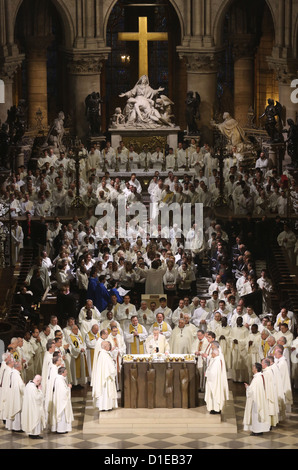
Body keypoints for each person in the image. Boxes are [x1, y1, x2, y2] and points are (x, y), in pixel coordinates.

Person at [243, 362, 271, 436]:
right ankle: (258, 430)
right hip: (259, 399)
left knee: (256, 415)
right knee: (257, 415)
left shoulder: (257, 378)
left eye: (253, 367)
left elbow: (252, 392)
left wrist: (247, 388)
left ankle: (257, 431)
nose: (252, 368)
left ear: (256, 369)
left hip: (256, 401)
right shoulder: (259, 377)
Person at [91, 341, 118, 412]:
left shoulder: (102, 353)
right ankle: (106, 406)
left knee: (104, 392)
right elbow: (110, 369)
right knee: (106, 392)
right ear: (106, 346)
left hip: (103, 377)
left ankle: (104, 406)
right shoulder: (104, 355)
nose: (109, 347)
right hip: (106, 378)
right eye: (109, 346)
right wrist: (114, 369)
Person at [204, 348, 229, 414]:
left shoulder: (216, 361)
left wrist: (206, 373)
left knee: (215, 395)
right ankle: (214, 408)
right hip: (214, 381)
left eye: (212, 353)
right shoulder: (215, 359)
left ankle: (216, 409)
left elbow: (213, 372)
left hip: (214, 382)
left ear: (215, 354)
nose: (211, 354)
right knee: (213, 395)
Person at [21, 375, 46, 439]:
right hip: (34, 408)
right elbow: (37, 398)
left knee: (30, 420)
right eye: (39, 382)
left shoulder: (28, 385)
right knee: (35, 419)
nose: (39, 384)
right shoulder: (33, 388)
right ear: (37, 380)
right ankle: (35, 434)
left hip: (30, 407)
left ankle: (31, 433)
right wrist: (40, 390)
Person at [51, 367, 74, 434]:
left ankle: (63, 428)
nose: (67, 373)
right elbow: (63, 392)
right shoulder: (59, 380)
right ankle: (61, 429)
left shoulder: (60, 379)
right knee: (62, 415)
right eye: (66, 372)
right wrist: (69, 387)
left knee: (63, 415)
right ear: (62, 373)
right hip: (61, 402)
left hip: (60, 400)